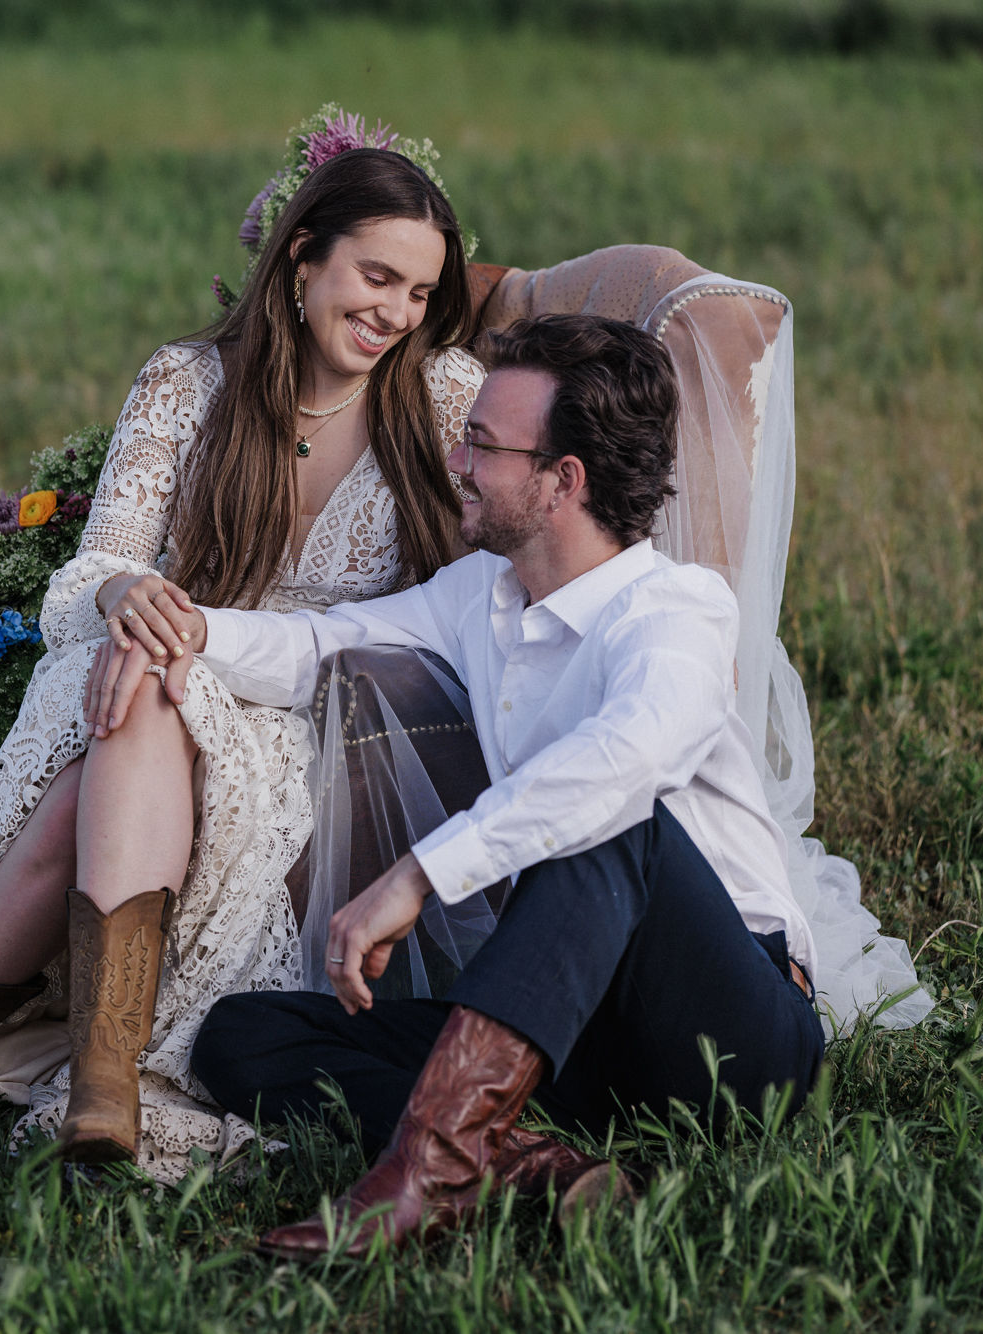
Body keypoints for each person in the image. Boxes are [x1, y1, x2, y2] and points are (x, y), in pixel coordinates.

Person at [0, 146, 488, 1177]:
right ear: (300, 263)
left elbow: (474, 601)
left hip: (333, 713)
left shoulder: (445, 393)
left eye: (419, 290)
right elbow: (95, 562)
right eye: (376, 278)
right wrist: (121, 594)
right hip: (160, 680)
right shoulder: (189, 381)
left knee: (131, 705)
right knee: (140, 672)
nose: (396, 313)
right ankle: (96, 1095)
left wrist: (175, 643)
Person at [172, 313, 826, 1256]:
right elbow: (321, 646)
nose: (455, 457)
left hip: (729, 1042)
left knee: (609, 820)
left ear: (564, 481)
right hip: (572, 1033)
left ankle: (427, 1172)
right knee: (242, 1037)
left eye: (482, 443)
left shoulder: (675, 610)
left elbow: (632, 756)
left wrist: (417, 878)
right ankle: (533, 1167)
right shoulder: (483, 594)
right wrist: (185, 629)